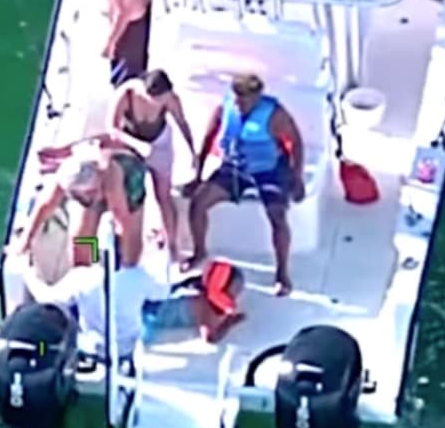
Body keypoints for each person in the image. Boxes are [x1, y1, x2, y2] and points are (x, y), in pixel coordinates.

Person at [183, 73, 306, 295]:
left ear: (257, 98)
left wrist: (296, 178)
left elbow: (295, 142)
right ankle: (199, 252)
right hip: (234, 169)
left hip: (267, 169)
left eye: (245, 100)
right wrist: (198, 175)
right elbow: (210, 135)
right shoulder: (226, 108)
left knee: (277, 215)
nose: (239, 104)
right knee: (198, 202)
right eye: (237, 99)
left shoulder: (274, 114)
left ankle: (282, 273)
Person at [105, 69, 197, 260]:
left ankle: (169, 248)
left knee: (158, 197)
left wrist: (192, 152)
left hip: (157, 143)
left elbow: (182, 122)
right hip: (131, 146)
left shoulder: (82, 190)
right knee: (118, 213)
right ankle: (110, 257)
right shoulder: (127, 93)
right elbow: (110, 128)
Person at [21, 139, 150, 267]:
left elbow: (122, 220)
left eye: (92, 192)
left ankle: (125, 268)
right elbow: (44, 206)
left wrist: (118, 253)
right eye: (85, 194)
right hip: (90, 182)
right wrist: (26, 241)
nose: (91, 196)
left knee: (129, 253)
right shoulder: (65, 177)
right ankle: (92, 264)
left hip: (127, 182)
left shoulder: (111, 179)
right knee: (81, 245)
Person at [17, 253, 165, 359]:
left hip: (90, 348)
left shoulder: (82, 277)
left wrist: (27, 272)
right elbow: (164, 291)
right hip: (126, 348)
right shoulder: (138, 277)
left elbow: (46, 298)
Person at [142, 259, 247, 344]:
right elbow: (210, 337)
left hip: (155, 305)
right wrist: (229, 322)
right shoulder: (209, 310)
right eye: (236, 290)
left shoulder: (201, 295)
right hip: (151, 316)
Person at [102, 0, 152, 87]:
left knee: (130, 84)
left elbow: (129, 10)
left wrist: (110, 43)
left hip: (132, 38)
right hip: (120, 40)